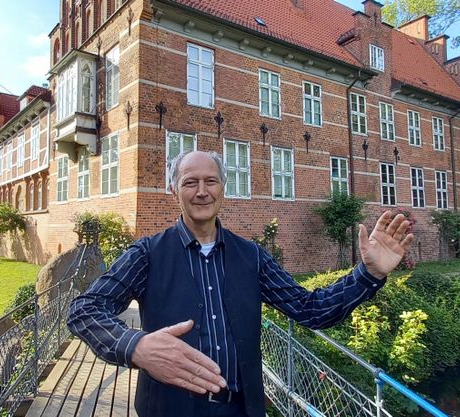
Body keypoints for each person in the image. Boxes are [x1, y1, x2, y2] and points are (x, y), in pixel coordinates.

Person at [67, 151, 413, 417]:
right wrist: (135, 346)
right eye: (190, 182)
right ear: (174, 190)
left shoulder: (251, 256)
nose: (201, 192)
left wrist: (369, 274)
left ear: (223, 189)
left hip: (241, 408)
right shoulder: (148, 254)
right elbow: (84, 310)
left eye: (211, 181)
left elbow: (311, 310)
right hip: (168, 409)